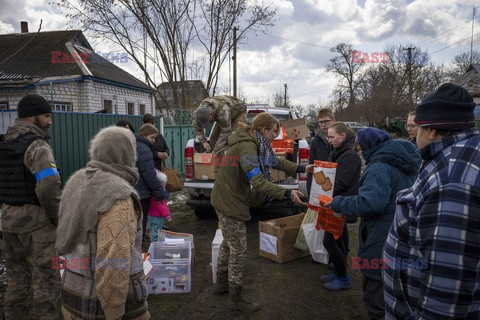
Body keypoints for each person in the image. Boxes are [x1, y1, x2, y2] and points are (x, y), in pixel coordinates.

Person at [383, 83, 480, 319]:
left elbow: (446, 286)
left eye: (418, 128)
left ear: (433, 131)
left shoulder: (452, 182)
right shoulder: (459, 154)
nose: (414, 134)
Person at [210, 112, 314, 313]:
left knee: (228, 242)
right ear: (264, 130)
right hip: (229, 201)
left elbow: (276, 162)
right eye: (274, 132)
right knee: (239, 248)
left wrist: (302, 167)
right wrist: (287, 193)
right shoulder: (248, 147)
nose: (276, 136)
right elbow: (257, 182)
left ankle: (221, 284)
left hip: (227, 197)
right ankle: (236, 299)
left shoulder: (258, 144)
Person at [323, 127, 420, 319]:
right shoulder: (403, 161)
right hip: (401, 232)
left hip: (380, 236)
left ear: (369, 146)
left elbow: (370, 203)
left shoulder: (379, 167)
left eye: (360, 149)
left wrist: (337, 203)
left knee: (375, 295)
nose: (359, 153)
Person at [56, 126, 150, 319]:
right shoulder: (118, 195)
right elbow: (113, 259)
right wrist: (114, 312)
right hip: (101, 307)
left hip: (71, 295)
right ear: (127, 153)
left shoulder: (76, 180)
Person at [0, 94, 61, 319]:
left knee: (16, 282)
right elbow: (48, 188)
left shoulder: (4, 144)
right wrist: (58, 217)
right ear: (31, 117)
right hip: (37, 227)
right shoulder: (38, 147)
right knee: (46, 283)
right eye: (46, 116)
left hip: (8, 225)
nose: (49, 121)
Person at [320, 122, 362, 290]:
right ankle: (339, 271)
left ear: (343, 136)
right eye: (328, 137)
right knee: (338, 240)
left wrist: (320, 189)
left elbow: (341, 183)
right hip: (335, 203)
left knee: (329, 242)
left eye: (332, 137)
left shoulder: (350, 156)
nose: (329, 140)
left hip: (340, 203)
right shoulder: (338, 152)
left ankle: (343, 277)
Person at [193, 95, 247, 174]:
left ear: (211, 114)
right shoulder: (198, 113)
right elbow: (197, 128)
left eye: (208, 121)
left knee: (234, 140)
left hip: (238, 112)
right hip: (223, 116)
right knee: (213, 139)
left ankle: (235, 170)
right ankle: (215, 170)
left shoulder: (222, 111)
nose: (207, 124)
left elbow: (225, 133)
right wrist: (204, 142)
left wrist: (215, 151)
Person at [135, 123, 169, 249]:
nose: (154, 141)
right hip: (142, 192)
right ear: (144, 135)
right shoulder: (143, 149)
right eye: (152, 138)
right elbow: (149, 174)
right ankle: (140, 250)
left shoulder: (135, 145)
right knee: (141, 223)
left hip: (136, 189)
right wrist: (159, 191)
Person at [307, 108, 334, 194]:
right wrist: (309, 191)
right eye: (321, 122)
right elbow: (311, 166)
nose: (324, 124)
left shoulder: (340, 140)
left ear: (333, 121)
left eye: (326, 121)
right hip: (321, 182)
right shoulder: (316, 142)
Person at [148, 169, 172, 242]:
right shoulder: (160, 195)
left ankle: (153, 242)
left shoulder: (151, 193)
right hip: (158, 217)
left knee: (153, 230)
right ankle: (154, 245)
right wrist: (167, 216)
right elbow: (162, 206)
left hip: (151, 215)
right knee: (157, 232)